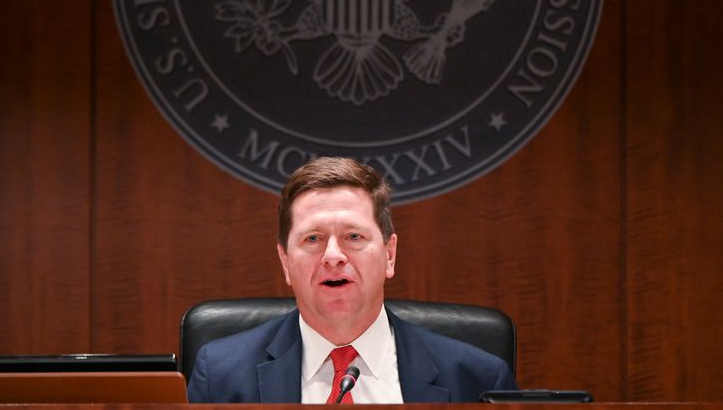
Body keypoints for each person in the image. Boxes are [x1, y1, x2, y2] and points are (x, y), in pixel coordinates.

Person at [187, 157, 516, 403]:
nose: (333, 255)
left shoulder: (478, 379)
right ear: (285, 261)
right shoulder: (220, 376)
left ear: (389, 255)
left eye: (354, 236)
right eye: (312, 239)